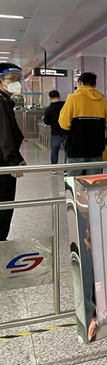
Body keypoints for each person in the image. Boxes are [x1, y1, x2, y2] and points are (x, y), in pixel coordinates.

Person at [59, 72, 107, 176]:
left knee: (74, 181)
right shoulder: (103, 101)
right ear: (94, 85)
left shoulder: (73, 99)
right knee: (94, 182)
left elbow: (64, 123)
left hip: (76, 147)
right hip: (96, 148)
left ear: (80, 82)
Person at [0, 63, 26, 241]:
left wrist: (19, 157)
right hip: (3, 165)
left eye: (18, 79)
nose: (16, 83)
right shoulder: (1, 103)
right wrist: (13, 162)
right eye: (11, 79)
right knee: (4, 205)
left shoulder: (6, 101)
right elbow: (4, 134)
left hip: (4, 160)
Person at [43, 90, 66, 173]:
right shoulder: (65, 105)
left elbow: (47, 122)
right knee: (67, 151)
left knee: (54, 151)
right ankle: (66, 169)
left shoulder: (49, 109)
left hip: (55, 132)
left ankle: (54, 169)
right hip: (66, 131)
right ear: (59, 96)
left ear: (50, 98)